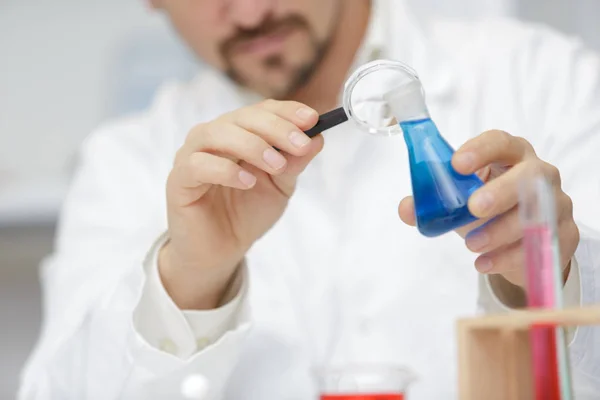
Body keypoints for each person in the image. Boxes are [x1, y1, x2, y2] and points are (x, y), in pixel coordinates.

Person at [18, 0, 600, 399]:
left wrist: (547, 279)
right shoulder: (124, 162)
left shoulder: (549, 80)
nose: (250, 12)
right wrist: (191, 280)